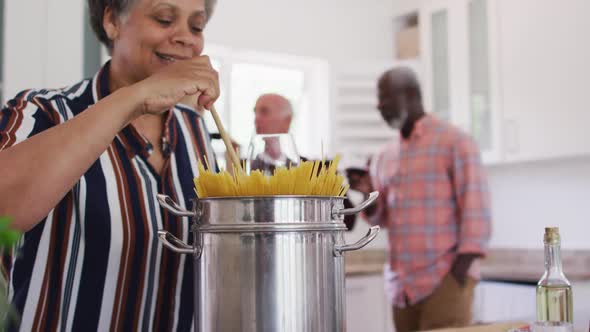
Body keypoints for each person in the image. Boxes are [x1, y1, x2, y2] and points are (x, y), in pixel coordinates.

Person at [0, 0, 219, 330]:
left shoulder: (195, 129)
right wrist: (137, 97)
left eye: (196, 26)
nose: (186, 37)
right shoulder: (42, 111)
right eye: (164, 19)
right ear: (112, 21)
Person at [348, 67, 491, 331]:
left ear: (412, 94)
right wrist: (367, 192)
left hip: (444, 279)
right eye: (378, 100)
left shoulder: (454, 141)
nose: (380, 106)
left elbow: (476, 210)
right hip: (400, 287)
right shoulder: (384, 155)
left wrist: (458, 273)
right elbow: (384, 219)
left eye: (386, 98)